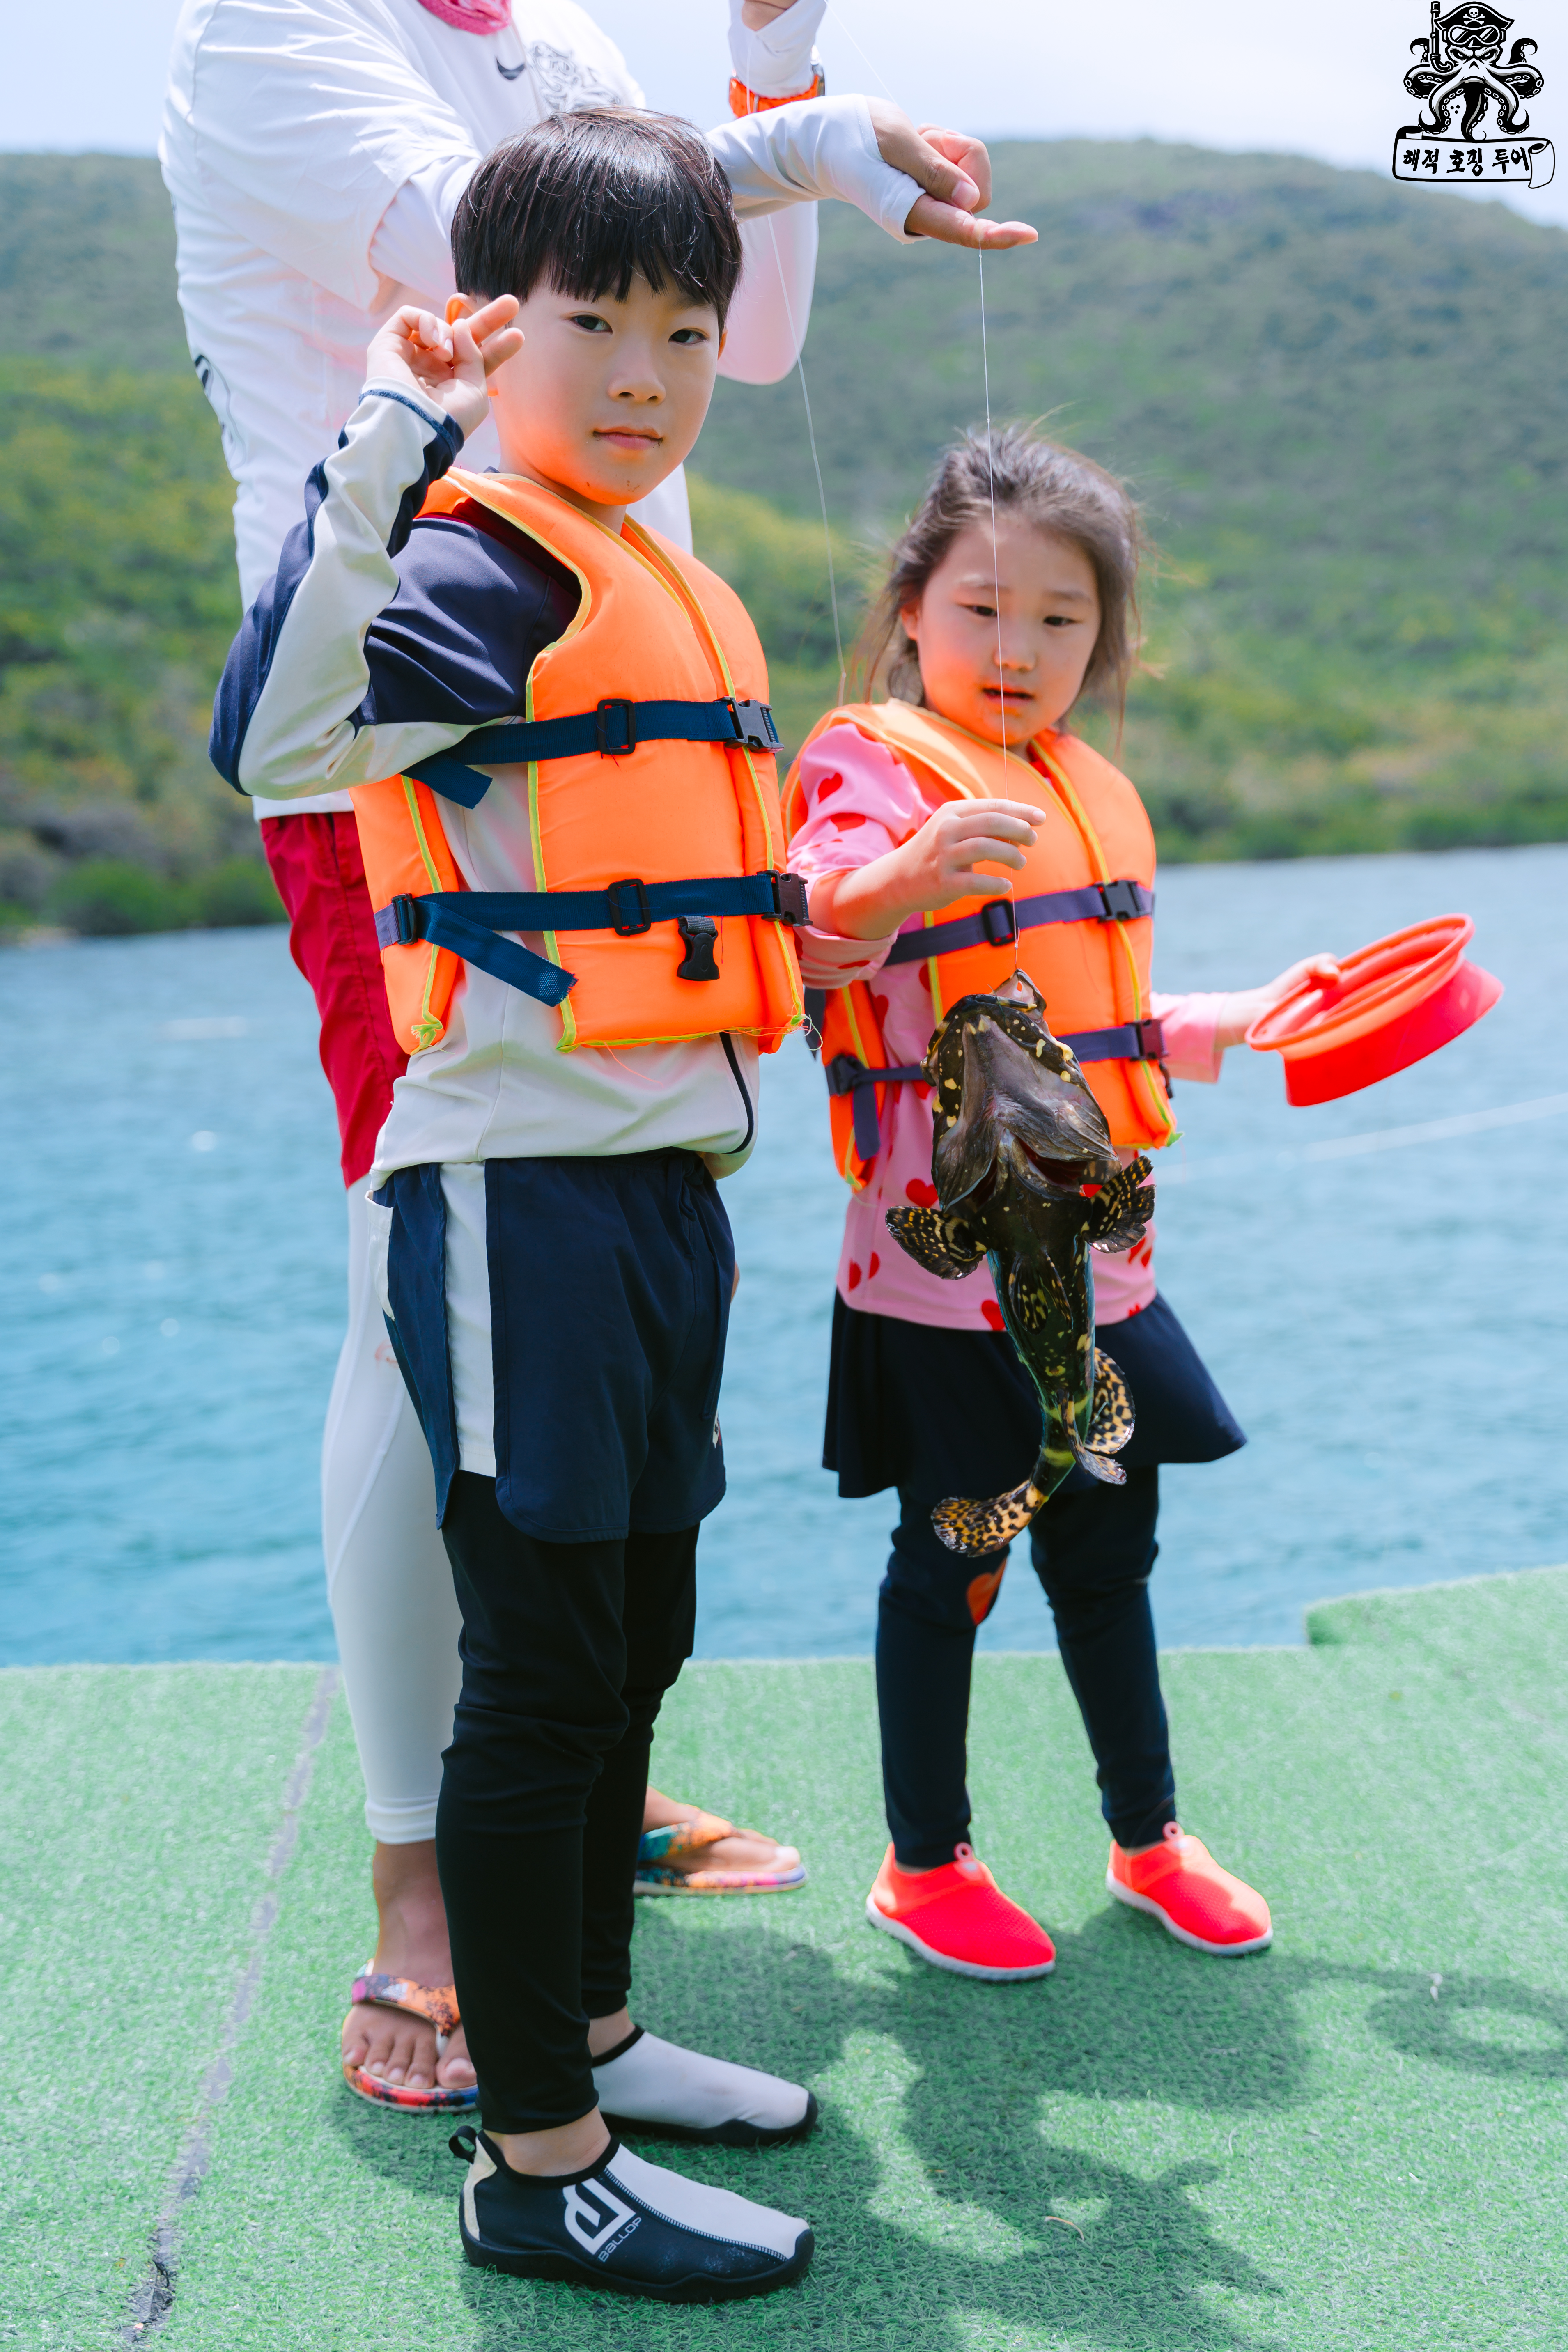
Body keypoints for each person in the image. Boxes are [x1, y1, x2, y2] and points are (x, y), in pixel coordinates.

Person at [161, 0, 1034, 2105]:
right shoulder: (270, 29)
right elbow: (489, 240)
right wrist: (795, 138)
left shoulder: (556, 35)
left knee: (612, 1522)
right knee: (421, 1305)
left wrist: (769, 69)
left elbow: (728, 335)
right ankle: (423, 1891)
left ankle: (558, 1842)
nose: (636, 353)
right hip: (412, 713)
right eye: (602, 319)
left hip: (599, 746)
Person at [783, 425, 1339, 1981]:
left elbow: (1088, 1027)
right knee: (952, 1561)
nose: (1014, 648)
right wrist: (900, 877)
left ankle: (1147, 1834)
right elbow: (815, 927)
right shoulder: (872, 772)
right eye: (979, 609)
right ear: (911, 611)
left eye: (1057, 618)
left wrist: (1230, 1019)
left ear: (1104, 639)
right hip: (943, 1283)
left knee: (1108, 1551)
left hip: (1099, 1266)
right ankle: (923, 1863)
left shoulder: (1084, 786)